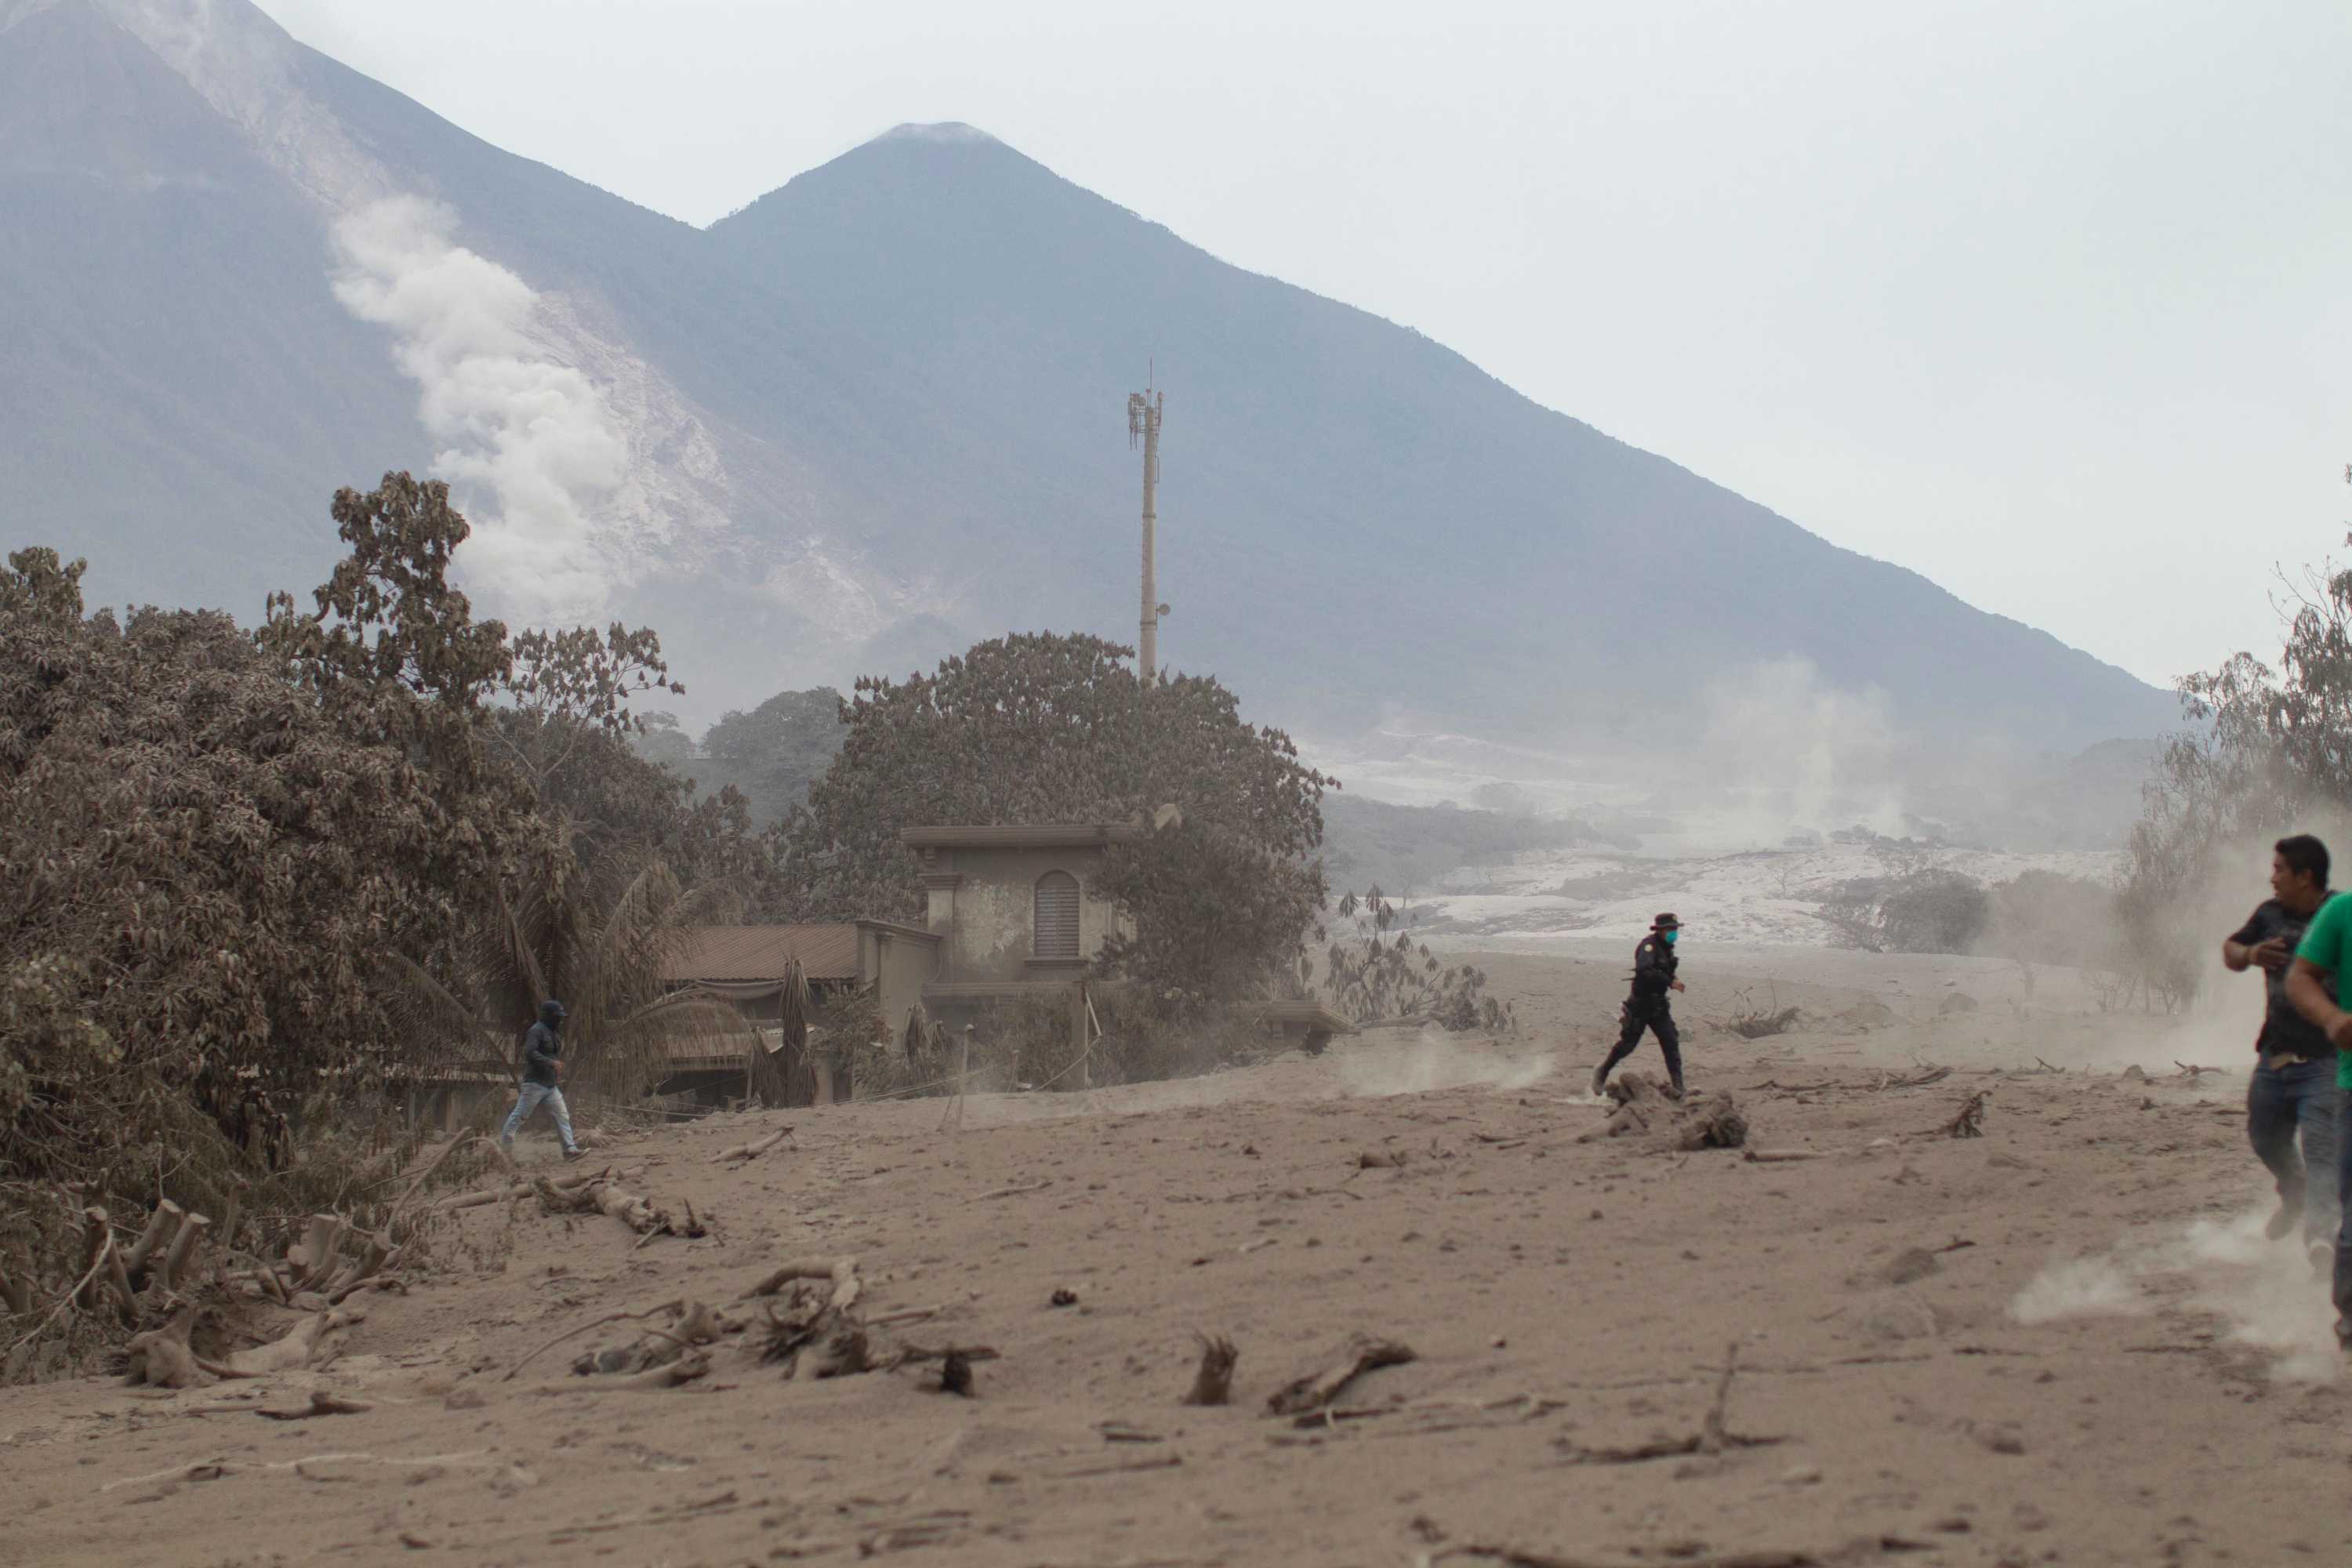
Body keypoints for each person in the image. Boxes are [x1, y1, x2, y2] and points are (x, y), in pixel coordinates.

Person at [2223, 836, 2340, 1258]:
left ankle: (2322, 1239)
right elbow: (2230, 950)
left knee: (2323, 1152)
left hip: (2326, 1062)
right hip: (2274, 1057)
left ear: (2305, 877)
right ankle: (2294, 1191)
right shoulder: (2269, 915)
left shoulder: (2338, 916)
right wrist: (2252, 953)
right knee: (2264, 1137)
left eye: (2279, 870)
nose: (2272, 878)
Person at [1593, 913, 1686, 1098]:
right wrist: (1669, 981)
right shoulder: (1649, 946)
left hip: (1659, 1006)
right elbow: (1645, 971)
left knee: (1670, 1042)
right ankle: (1602, 1072)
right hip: (1640, 1006)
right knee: (1628, 1045)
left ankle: (1679, 1087)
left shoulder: (1668, 949)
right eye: (1670, 929)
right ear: (1659, 930)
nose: (1673, 933)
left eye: (1675, 929)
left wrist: (1674, 979)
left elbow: (1665, 970)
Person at [500, 999, 583, 1160]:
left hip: (550, 1086)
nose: (559, 1020)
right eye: (556, 1016)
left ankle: (570, 1151)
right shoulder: (536, 1031)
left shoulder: (553, 1032)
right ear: (547, 1016)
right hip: (535, 1085)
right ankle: (504, 1152)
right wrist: (551, 1063)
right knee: (519, 1117)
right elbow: (530, 1053)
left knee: (562, 1116)